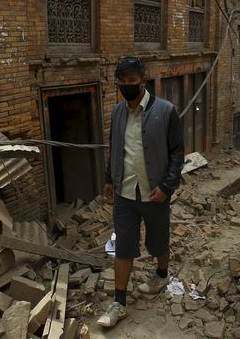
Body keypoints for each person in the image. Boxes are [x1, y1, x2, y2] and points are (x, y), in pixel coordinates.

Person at [97, 56, 184, 329]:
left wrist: (167, 186)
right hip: (124, 193)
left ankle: (161, 274)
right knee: (124, 246)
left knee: (159, 240)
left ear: (143, 81)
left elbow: (177, 152)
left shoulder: (166, 111)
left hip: (154, 192)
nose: (127, 86)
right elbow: (115, 147)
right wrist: (110, 179)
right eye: (122, 82)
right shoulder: (117, 113)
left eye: (132, 81)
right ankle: (119, 303)